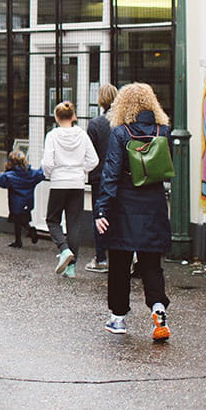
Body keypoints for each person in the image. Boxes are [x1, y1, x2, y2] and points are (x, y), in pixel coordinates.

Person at [94, 82, 172, 341]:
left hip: (123, 206)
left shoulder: (120, 132)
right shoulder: (163, 131)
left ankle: (118, 318)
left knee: (119, 263)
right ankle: (158, 308)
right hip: (154, 206)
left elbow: (111, 173)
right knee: (151, 263)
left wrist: (102, 210)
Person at [41, 101, 99, 278]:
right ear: (73, 116)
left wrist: (50, 174)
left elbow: (47, 162)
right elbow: (94, 160)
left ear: (56, 117)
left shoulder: (52, 136)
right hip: (77, 183)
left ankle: (64, 249)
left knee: (52, 220)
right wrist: (81, 170)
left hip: (59, 182)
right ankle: (71, 268)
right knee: (74, 224)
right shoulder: (82, 135)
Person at [85, 83, 118, 273]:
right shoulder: (122, 123)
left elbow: (90, 153)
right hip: (119, 177)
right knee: (118, 216)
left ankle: (101, 258)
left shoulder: (95, 124)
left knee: (99, 215)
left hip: (99, 176)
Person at [0, 150, 44, 248]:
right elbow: (41, 174)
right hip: (27, 203)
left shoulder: (10, 176)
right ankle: (24, 236)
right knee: (23, 221)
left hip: (16, 204)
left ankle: (22, 238)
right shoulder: (32, 174)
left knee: (18, 222)